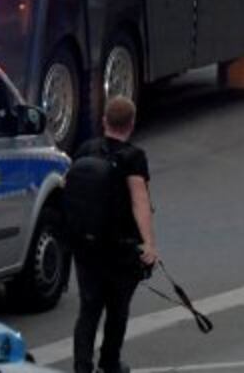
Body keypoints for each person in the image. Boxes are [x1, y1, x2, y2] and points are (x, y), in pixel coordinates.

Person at [68, 95, 156, 373]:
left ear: (104, 121)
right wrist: (149, 245)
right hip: (119, 248)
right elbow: (140, 201)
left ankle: (82, 366)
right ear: (131, 124)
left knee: (89, 309)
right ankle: (109, 361)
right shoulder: (133, 157)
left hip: (85, 245)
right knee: (117, 310)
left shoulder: (85, 150)